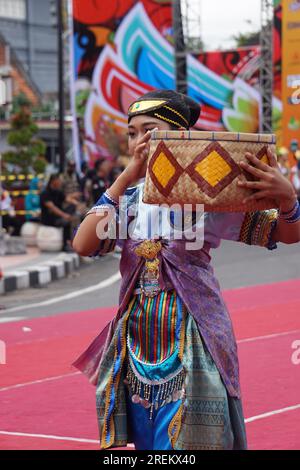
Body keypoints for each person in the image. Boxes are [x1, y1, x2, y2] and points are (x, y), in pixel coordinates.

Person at [72, 89, 300, 450]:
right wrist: (127, 175)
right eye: (132, 133)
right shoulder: (128, 202)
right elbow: (83, 244)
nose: (137, 141)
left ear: (177, 136)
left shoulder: (210, 199)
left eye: (148, 130)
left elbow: (286, 233)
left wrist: (288, 199)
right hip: (137, 340)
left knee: (191, 441)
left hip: (193, 335)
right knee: (146, 438)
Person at [40, 174, 78, 252]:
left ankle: (75, 241)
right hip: (50, 218)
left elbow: (67, 199)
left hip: (59, 216)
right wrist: (64, 215)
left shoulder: (58, 192)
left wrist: (75, 203)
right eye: (59, 180)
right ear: (53, 181)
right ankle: (65, 245)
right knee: (66, 223)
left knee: (73, 208)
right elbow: (52, 208)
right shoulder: (45, 193)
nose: (61, 182)